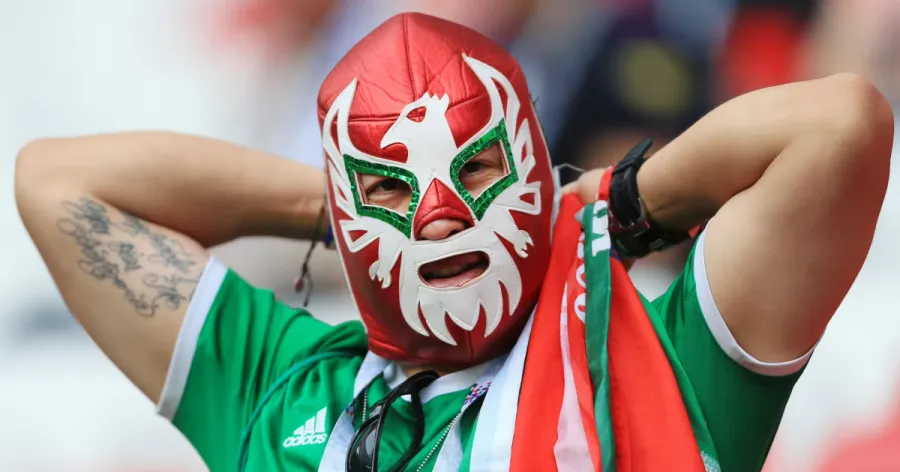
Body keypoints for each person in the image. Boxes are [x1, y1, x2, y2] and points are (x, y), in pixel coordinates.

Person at [14, 12, 893, 472]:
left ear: (531, 166)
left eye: (476, 169)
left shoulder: (657, 361)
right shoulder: (278, 383)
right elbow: (54, 185)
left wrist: (616, 204)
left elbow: (839, 126)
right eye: (393, 188)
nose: (438, 214)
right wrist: (339, 211)